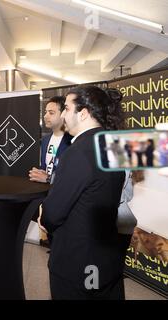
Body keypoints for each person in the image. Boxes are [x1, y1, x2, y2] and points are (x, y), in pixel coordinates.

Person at [39, 86, 126, 300]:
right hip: (106, 258)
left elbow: (53, 214)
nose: (64, 114)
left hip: (78, 261)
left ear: (84, 113)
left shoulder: (77, 152)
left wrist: (43, 213)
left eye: (67, 109)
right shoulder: (115, 145)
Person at [29, 96, 71, 248]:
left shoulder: (72, 141)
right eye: (46, 112)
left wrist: (48, 178)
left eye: (51, 112)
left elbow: (73, 176)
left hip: (65, 204)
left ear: (63, 114)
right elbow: (46, 165)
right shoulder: (46, 140)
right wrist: (39, 173)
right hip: (48, 201)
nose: (45, 116)